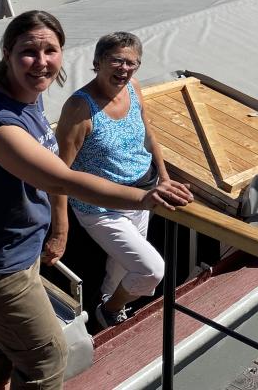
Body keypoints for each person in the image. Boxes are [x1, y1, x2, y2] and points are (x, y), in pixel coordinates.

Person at [0, 11, 192, 390]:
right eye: (30, 51)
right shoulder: (1, 125)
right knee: (48, 356)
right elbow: (64, 178)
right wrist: (145, 197)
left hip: (9, 253)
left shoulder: (26, 99)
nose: (41, 61)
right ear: (7, 53)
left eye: (51, 50)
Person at [44, 32, 176, 329]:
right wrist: (60, 232)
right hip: (100, 208)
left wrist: (164, 179)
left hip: (142, 196)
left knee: (121, 269)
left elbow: (149, 135)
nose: (125, 69)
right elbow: (58, 175)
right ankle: (110, 311)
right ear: (98, 62)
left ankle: (105, 303)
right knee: (150, 270)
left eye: (133, 63)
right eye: (117, 60)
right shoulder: (80, 108)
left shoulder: (133, 88)